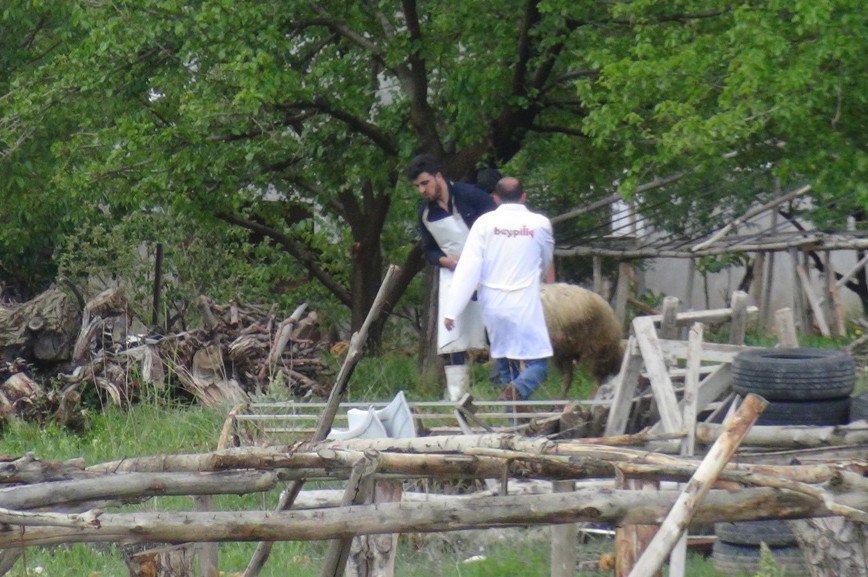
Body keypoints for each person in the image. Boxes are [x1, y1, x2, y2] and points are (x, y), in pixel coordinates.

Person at [443, 177, 554, 404]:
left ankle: (513, 423)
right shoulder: (539, 224)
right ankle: (516, 390)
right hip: (526, 304)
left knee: (506, 365)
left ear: (495, 198)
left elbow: (468, 268)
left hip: (494, 306)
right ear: (523, 197)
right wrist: (538, 280)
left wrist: (451, 310)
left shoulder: (484, 224)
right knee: (538, 365)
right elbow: (546, 259)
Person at [406, 153, 496, 401]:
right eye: (417, 187)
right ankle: (458, 395)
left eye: (425, 183)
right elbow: (429, 249)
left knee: (496, 327)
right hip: (453, 275)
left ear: (438, 176)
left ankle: (508, 389)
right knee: (452, 335)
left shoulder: (473, 196)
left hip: (487, 272)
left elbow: (496, 229)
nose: (422, 190)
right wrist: (444, 260)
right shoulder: (425, 213)